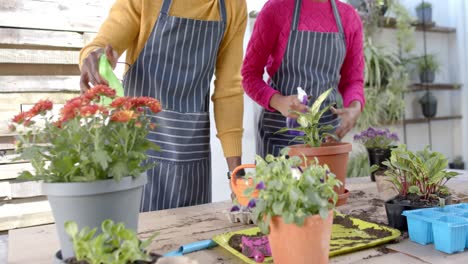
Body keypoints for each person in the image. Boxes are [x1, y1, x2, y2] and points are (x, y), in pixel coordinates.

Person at [79, 0, 247, 212]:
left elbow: (228, 90)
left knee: (192, 236)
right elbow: (106, 42)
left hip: (191, 155)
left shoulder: (233, 5)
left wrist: (236, 174)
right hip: (138, 148)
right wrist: (94, 56)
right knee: (137, 236)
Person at [242, 0, 365, 157]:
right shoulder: (276, 10)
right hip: (279, 139)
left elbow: (353, 80)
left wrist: (354, 107)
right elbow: (249, 75)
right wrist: (279, 101)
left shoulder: (348, 17)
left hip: (326, 140)